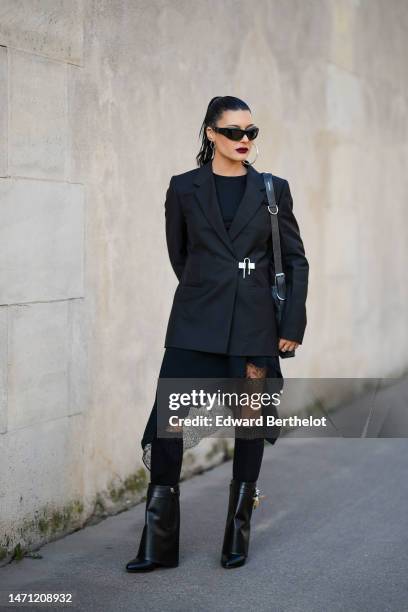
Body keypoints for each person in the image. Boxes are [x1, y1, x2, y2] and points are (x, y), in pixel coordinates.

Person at [125, 96, 309, 572]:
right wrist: (213, 286)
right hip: (195, 321)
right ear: (210, 134)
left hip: (253, 326)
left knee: (249, 426)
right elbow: (180, 255)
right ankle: (157, 544)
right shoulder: (183, 188)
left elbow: (294, 259)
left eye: (251, 132)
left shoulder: (273, 189)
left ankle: (237, 536)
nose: (244, 140)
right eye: (233, 132)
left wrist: (290, 326)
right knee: (169, 424)